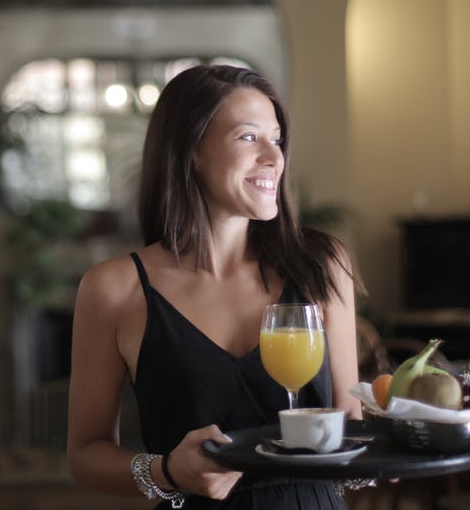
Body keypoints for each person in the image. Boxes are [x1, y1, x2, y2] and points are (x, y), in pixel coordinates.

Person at [66, 64, 365, 509]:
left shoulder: (321, 265)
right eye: (248, 137)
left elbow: (350, 422)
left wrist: (392, 444)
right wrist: (166, 472)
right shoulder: (114, 289)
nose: (274, 157)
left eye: (277, 139)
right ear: (192, 151)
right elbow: (85, 454)